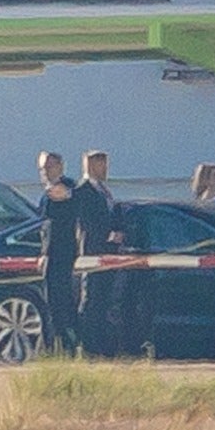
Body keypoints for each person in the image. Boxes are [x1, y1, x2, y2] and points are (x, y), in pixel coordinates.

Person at [72, 150, 125, 355]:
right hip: (93, 252)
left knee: (103, 298)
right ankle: (87, 345)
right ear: (90, 165)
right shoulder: (83, 191)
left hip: (109, 254)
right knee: (91, 298)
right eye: (101, 164)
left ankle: (102, 345)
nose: (105, 169)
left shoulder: (105, 191)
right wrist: (107, 235)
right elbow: (87, 223)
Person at [36, 151, 79, 353]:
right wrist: (43, 253)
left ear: (60, 167)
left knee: (64, 301)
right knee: (50, 302)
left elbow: (81, 203)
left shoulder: (70, 188)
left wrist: (68, 195)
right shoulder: (46, 195)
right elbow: (44, 227)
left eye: (49, 167)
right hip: (49, 256)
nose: (45, 172)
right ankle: (54, 344)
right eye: (43, 168)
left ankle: (70, 343)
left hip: (65, 254)